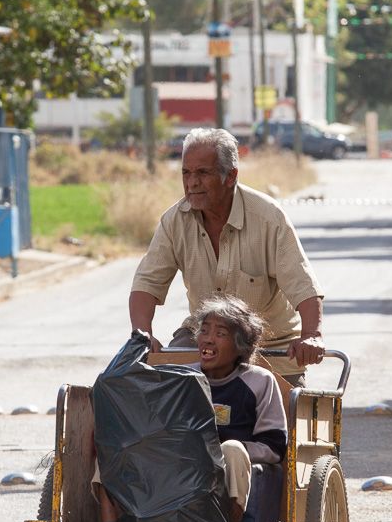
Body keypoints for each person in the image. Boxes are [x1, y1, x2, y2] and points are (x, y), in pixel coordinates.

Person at [93, 296, 287, 522]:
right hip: (181, 470)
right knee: (116, 451)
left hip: (228, 473)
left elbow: (274, 447)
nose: (208, 339)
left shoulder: (259, 381)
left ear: (241, 346)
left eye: (220, 334)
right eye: (204, 331)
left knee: (232, 449)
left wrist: (215, 451)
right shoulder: (183, 378)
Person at [129, 126, 325, 383]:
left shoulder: (268, 218)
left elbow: (303, 287)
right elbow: (147, 284)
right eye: (186, 173)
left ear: (230, 176)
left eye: (203, 173)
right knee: (165, 392)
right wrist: (143, 333)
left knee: (284, 411)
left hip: (270, 345)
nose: (192, 183)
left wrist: (312, 335)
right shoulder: (175, 220)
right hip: (203, 338)